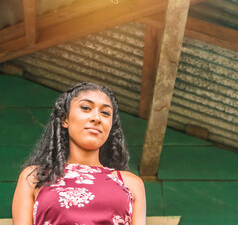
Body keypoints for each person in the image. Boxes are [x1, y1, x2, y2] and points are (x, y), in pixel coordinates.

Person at [12, 82, 146, 225]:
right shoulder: (35, 177)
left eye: (105, 113)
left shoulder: (131, 184)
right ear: (65, 119)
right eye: (86, 108)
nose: (97, 118)